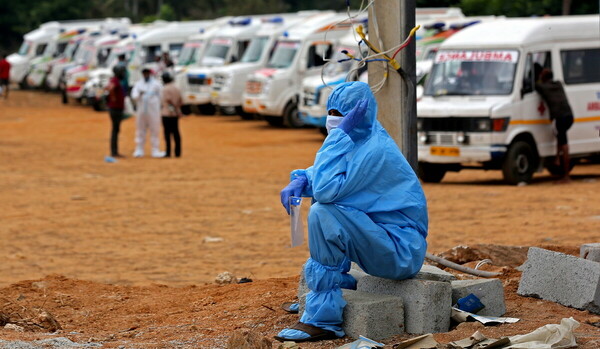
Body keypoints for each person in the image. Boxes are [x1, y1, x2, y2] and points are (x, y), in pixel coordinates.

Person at [275, 81, 428, 342]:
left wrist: (337, 137)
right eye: (331, 112)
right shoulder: (360, 140)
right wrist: (301, 180)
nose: (334, 119)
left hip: (400, 252)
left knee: (324, 212)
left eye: (341, 114)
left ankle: (323, 319)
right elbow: (332, 175)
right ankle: (332, 291)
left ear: (359, 115)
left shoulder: (375, 150)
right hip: (383, 239)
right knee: (331, 209)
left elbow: (326, 189)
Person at [535, 68, 574, 182]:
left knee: (564, 143)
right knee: (559, 136)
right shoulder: (558, 84)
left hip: (560, 117)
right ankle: (557, 158)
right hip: (569, 116)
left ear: (543, 78)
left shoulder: (543, 87)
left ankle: (566, 176)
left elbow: (536, 85)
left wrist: (538, 77)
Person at [131, 68, 165, 158]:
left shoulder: (156, 84)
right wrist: (139, 94)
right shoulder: (138, 84)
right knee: (140, 130)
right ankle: (139, 149)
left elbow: (162, 96)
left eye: (147, 73)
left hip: (153, 111)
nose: (146, 74)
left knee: (155, 130)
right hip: (141, 111)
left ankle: (155, 150)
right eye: (144, 73)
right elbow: (134, 96)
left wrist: (159, 106)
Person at [160, 72, 183, 157]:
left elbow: (168, 100)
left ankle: (168, 152)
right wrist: (177, 109)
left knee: (167, 133)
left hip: (167, 114)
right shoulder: (177, 88)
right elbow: (181, 101)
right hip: (175, 114)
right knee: (176, 132)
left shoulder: (165, 89)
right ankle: (178, 152)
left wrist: (172, 107)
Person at [106, 66, 126, 157]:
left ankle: (114, 151)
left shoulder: (113, 80)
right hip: (116, 109)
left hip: (115, 108)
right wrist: (113, 97)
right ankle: (114, 152)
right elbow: (110, 89)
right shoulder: (115, 80)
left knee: (115, 130)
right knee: (115, 130)